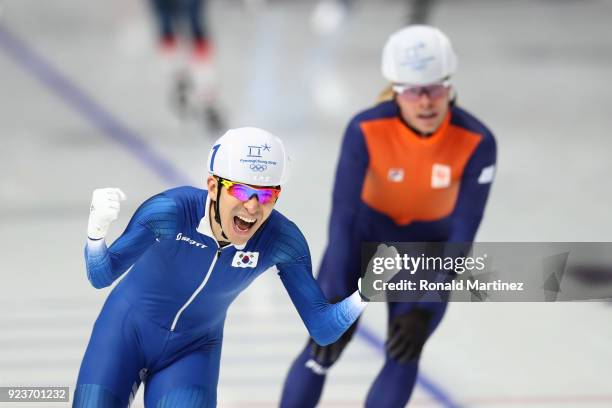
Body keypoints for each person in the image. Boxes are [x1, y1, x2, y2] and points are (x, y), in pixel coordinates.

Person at [73, 127, 381, 407]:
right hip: (125, 333)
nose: (252, 207)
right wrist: (96, 233)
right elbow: (101, 275)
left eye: (266, 195)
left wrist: (367, 290)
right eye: (241, 191)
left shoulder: (282, 240)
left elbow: (323, 329)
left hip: (192, 352)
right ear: (212, 185)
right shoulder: (169, 212)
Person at [280, 25, 497, 407]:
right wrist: (332, 298)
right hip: (361, 241)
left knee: (405, 349)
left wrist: (426, 310)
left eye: (436, 88)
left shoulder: (478, 142)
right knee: (323, 348)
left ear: (450, 86)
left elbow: (463, 231)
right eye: (414, 91)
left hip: (424, 253)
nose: (426, 102)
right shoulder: (365, 129)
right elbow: (343, 220)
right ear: (396, 91)